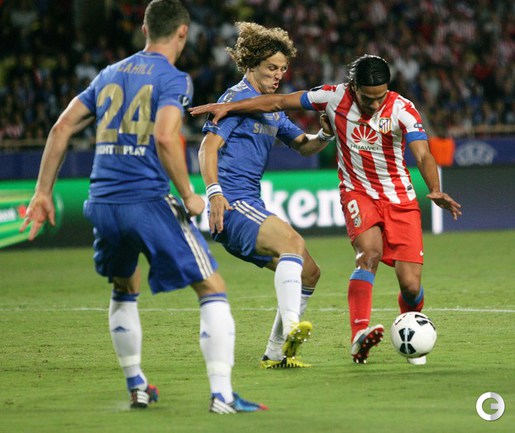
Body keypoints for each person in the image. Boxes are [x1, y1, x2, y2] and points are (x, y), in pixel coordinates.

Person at [19, 0, 266, 413]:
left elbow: (61, 127)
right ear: (183, 32)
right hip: (146, 199)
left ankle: (136, 385)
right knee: (212, 287)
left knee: (124, 286)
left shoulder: (109, 73)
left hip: (102, 202)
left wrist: (43, 192)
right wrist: (188, 193)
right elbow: (166, 137)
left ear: (145, 30)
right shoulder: (172, 77)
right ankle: (222, 395)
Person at [190, 54, 462, 365]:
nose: (374, 104)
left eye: (380, 97)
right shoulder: (332, 97)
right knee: (365, 255)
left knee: (402, 284)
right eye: (368, 98)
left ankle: (280, 351)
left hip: (399, 197)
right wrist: (228, 108)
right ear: (353, 87)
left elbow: (423, 155)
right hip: (355, 193)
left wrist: (434, 187)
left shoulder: (403, 109)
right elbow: (276, 102)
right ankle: (355, 335)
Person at [197, 22, 334, 369]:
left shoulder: (271, 108)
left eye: (282, 69)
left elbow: (303, 146)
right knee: (292, 242)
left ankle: (276, 353)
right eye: (271, 67)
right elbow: (207, 148)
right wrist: (214, 193)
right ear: (251, 64)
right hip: (232, 203)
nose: (278, 75)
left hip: (251, 204)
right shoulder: (235, 100)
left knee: (309, 272)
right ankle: (292, 326)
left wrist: (324, 135)